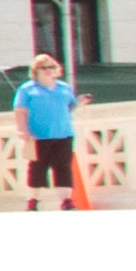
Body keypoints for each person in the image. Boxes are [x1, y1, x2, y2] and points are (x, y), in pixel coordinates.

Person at [19, 49, 85, 208]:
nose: (48, 71)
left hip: (64, 134)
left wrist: (80, 102)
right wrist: (22, 130)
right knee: (37, 169)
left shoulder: (64, 87)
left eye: (51, 67)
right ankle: (33, 200)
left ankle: (66, 200)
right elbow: (20, 111)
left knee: (63, 167)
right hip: (39, 136)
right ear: (36, 71)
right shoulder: (27, 89)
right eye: (44, 68)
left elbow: (69, 107)